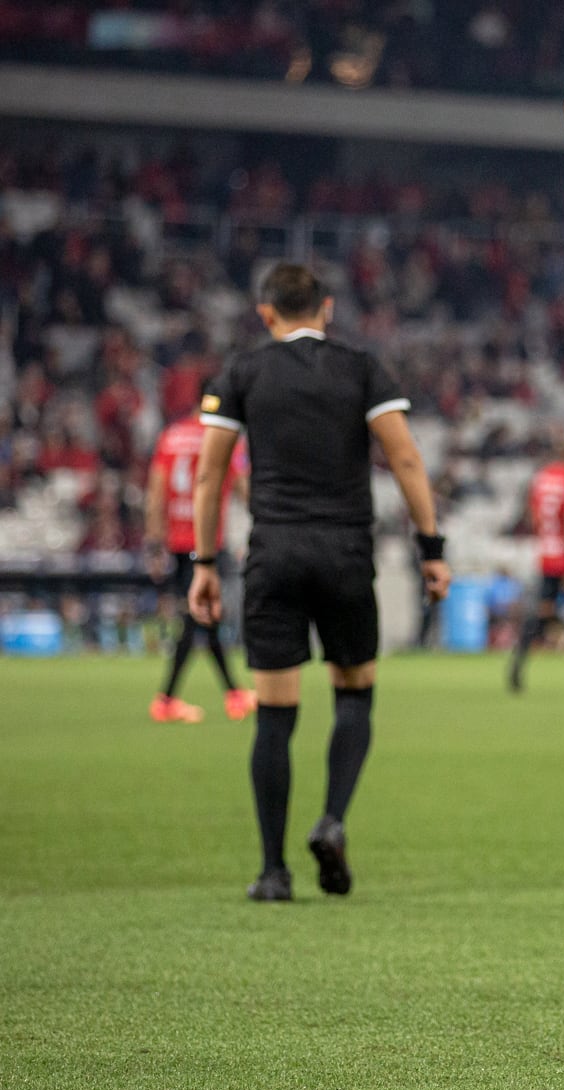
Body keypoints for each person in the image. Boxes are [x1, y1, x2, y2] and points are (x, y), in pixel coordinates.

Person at [189, 263, 451, 903]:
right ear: (327, 309)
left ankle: (273, 872)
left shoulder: (243, 372)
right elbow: (406, 457)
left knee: (274, 716)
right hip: (344, 554)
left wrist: (201, 563)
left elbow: (210, 476)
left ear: (266, 313)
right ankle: (332, 819)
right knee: (355, 694)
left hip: (273, 552)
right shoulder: (362, 367)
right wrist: (431, 548)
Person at [145, 407, 255, 724]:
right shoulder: (223, 436)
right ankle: (167, 698)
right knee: (199, 617)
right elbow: (243, 488)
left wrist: (154, 542)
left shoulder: (171, 436)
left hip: (177, 543)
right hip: (205, 541)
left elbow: (155, 492)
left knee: (205, 619)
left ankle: (233, 693)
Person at [507, 428, 564, 696]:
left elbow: (533, 517)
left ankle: (516, 667)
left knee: (541, 613)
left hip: (547, 556)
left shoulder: (542, 478)